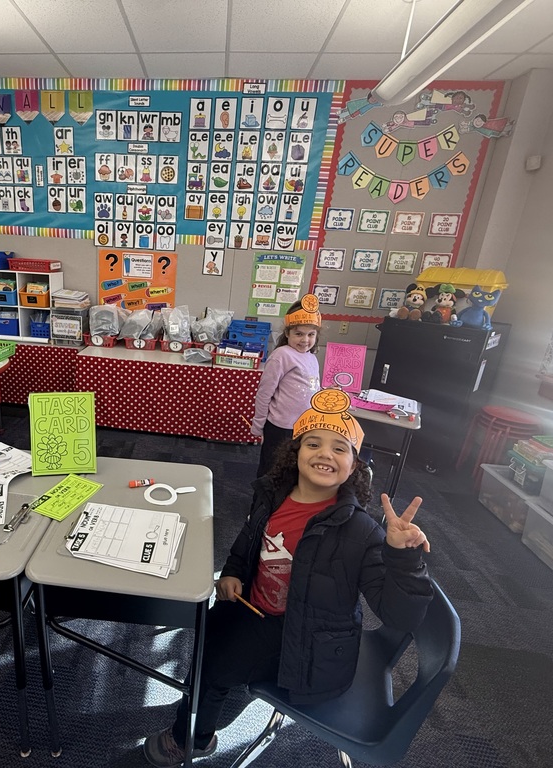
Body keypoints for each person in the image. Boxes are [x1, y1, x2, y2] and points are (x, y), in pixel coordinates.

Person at [143, 390, 433, 767]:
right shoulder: (273, 495)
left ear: (355, 467)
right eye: (313, 443)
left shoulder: (361, 531)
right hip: (258, 610)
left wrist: (403, 557)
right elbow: (248, 542)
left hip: (306, 640)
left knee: (211, 666)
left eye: (339, 448)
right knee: (207, 626)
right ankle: (216, 690)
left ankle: (190, 739)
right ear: (294, 453)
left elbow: (401, 616)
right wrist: (232, 572)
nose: (325, 453)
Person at [250, 293, 322, 477]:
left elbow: (313, 389)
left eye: (311, 334)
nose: (305, 340)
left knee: (293, 472)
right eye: (298, 333)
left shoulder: (312, 358)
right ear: (288, 333)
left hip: (304, 427)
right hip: (280, 428)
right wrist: (258, 424)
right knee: (272, 470)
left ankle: (284, 506)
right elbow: (264, 393)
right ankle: (263, 506)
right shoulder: (282, 355)